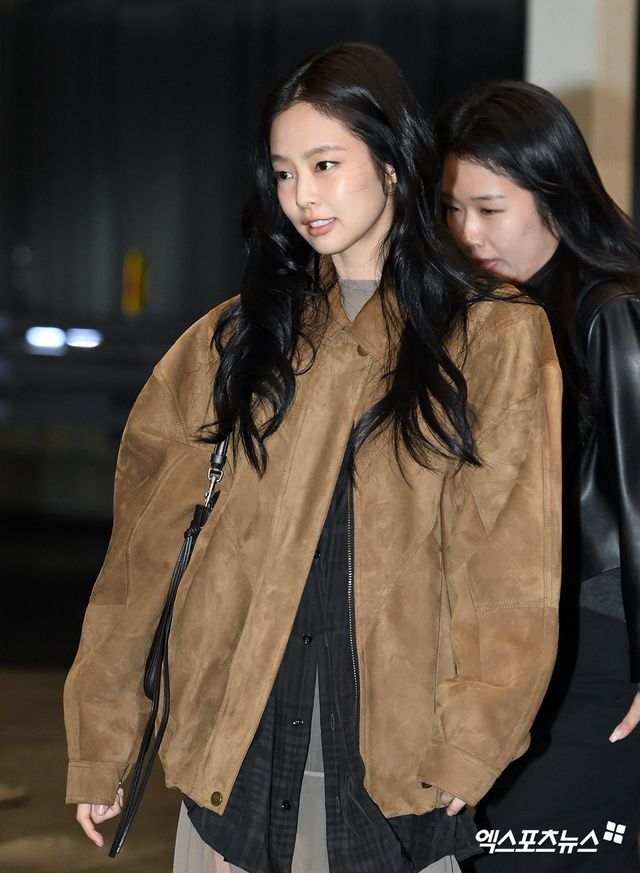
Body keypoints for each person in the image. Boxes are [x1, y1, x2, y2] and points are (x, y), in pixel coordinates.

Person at [64, 46, 562, 873]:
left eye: (326, 164)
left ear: (394, 162)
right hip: (232, 760)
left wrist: (477, 737)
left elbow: (510, 568)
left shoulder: (492, 336)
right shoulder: (235, 341)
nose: (302, 196)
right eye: (285, 172)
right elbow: (140, 559)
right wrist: (101, 738)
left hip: (392, 772)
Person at [437, 79, 640, 872]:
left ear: (554, 195)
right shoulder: (501, 317)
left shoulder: (609, 310)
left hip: (603, 650)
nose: (468, 233)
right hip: (527, 642)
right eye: (453, 210)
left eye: (490, 209)